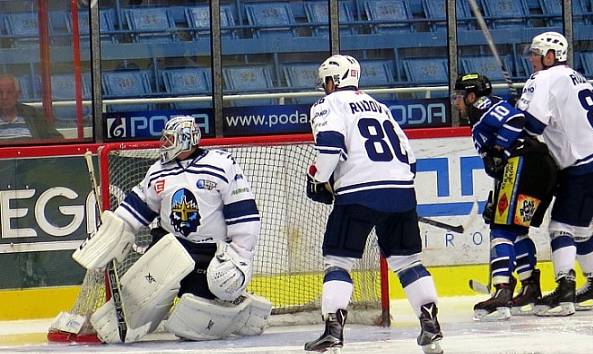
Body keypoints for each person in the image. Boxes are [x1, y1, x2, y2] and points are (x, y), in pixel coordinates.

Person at [72, 116, 272, 343]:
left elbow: (243, 212)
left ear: (187, 139)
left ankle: (241, 309)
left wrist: (241, 256)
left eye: (170, 138)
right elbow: (136, 209)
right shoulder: (158, 171)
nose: (164, 143)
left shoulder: (221, 164)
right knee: (140, 298)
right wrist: (113, 234)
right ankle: (115, 323)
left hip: (209, 254)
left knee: (191, 320)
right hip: (171, 249)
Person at [303, 55, 443, 354]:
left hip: (358, 193)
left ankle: (332, 333)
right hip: (402, 191)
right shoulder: (380, 107)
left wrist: (318, 178)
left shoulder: (327, 105)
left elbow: (329, 145)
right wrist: (395, 188)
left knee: (338, 262)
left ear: (333, 80)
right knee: (408, 262)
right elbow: (411, 159)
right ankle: (431, 326)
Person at [518, 31, 593, 316]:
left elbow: (532, 125)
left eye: (536, 53)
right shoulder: (576, 76)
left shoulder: (542, 78)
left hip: (587, 162)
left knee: (560, 228)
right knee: (580, 227)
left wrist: (515, 111)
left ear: (551, 56)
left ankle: (565, 291)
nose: (531, 58)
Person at [451, 73, 557, 320]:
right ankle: (530, 286)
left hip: (525, 165)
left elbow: (514, 120)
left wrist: (498, 148)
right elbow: (498, 164)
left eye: (458, 96)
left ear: (471, 96)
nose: (455, 102)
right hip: (538, 169)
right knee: (517, 229)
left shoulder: (482, 106)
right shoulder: (480, 113)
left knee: (501, 230)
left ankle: (502, 292)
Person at [0, 74, 63, 142]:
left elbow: (58, 139)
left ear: (18, 94)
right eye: (0, 92)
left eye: (9, 92)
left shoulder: (32, 114)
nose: (4, 97)